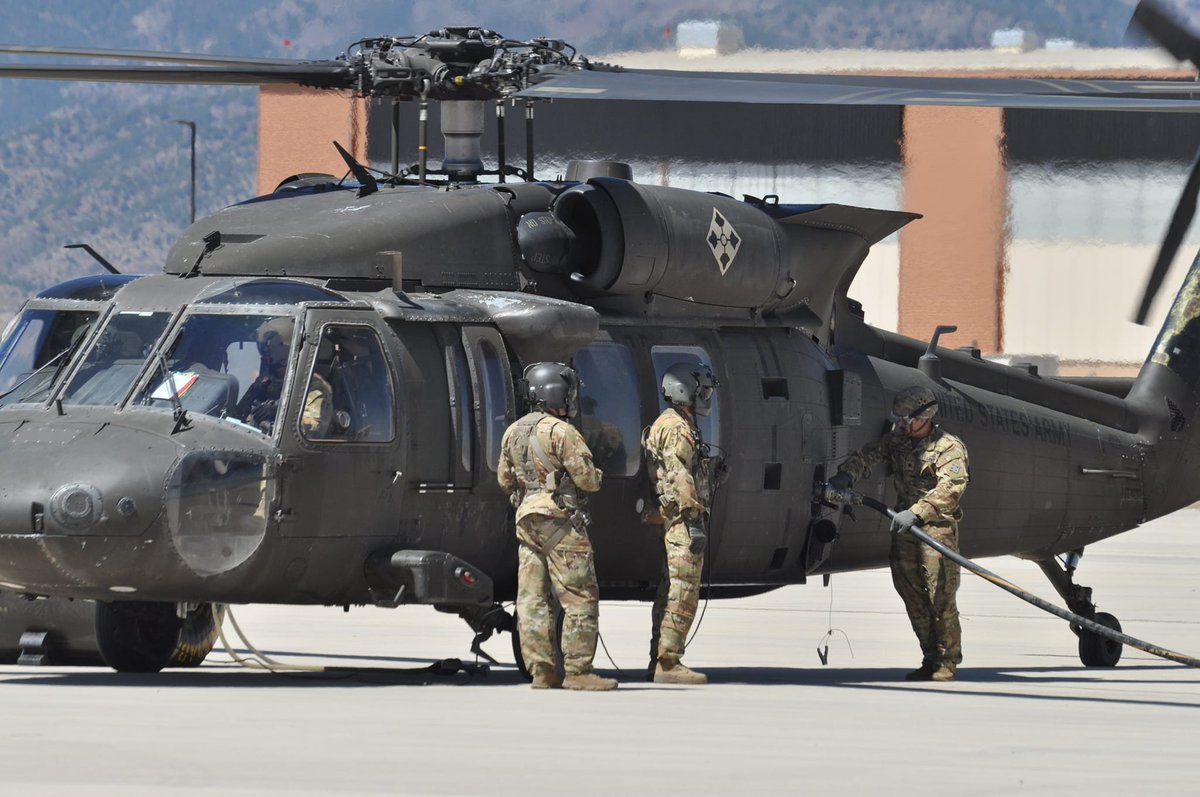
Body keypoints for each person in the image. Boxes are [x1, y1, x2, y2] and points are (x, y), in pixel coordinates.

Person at [828, 384, 969, 682]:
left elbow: (951, 489)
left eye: (908, 419)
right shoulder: (897, 441)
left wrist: (918, 511)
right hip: (905, 529)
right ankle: (930, 657)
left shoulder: (948, 447)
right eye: (900, 418)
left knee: (940, 597)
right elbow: (868, 455)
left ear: (926, 415)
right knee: (912, 595)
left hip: (936, 530)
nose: (903, 424)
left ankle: (947, 660)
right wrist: (846, 474)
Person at [497, 361, 616, 691]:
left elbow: (505, 480)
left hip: (527, 521)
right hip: (560, 521)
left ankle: (541, 670)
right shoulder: (563, 432)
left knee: (532, 599)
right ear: (558, 393)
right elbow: (588, 480)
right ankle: (578, 671)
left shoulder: (513, 432)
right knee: (579, 594)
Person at [642, 362, 720, 685]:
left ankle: (658, 657)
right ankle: (668, 662)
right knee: (684, 589)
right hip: (681, 520)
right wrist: (694, 519)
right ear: (687, 392)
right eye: (702, 391)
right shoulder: (677, 429)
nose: (706, 397)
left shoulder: (672, 423)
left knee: (669, 589)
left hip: (671, 517)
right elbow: (678, 474)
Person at [235, 316, 331, 437]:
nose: (266, 351)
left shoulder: (311, 385)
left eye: (270, 346)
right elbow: (238, 412)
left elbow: (313, 428)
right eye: (264, 347)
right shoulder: (266, 380)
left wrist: (276, 414)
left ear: (287, 349)